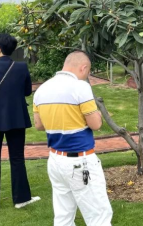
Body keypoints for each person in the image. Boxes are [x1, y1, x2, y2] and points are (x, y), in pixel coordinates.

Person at [33, 51, 113, 226]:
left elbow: (39, 125)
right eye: (88, 72)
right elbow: (95, 124)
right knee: (99, 216)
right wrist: (98, 115)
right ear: (83, 68)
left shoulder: (42, 89)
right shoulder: (80, 87)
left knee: (63, 216)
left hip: (55, 159)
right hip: (80, 159)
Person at [0, 33, 39, 211]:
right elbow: (27, 91)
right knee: (17, 158)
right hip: (16, 117)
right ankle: (21, 199)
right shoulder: (21, 67)